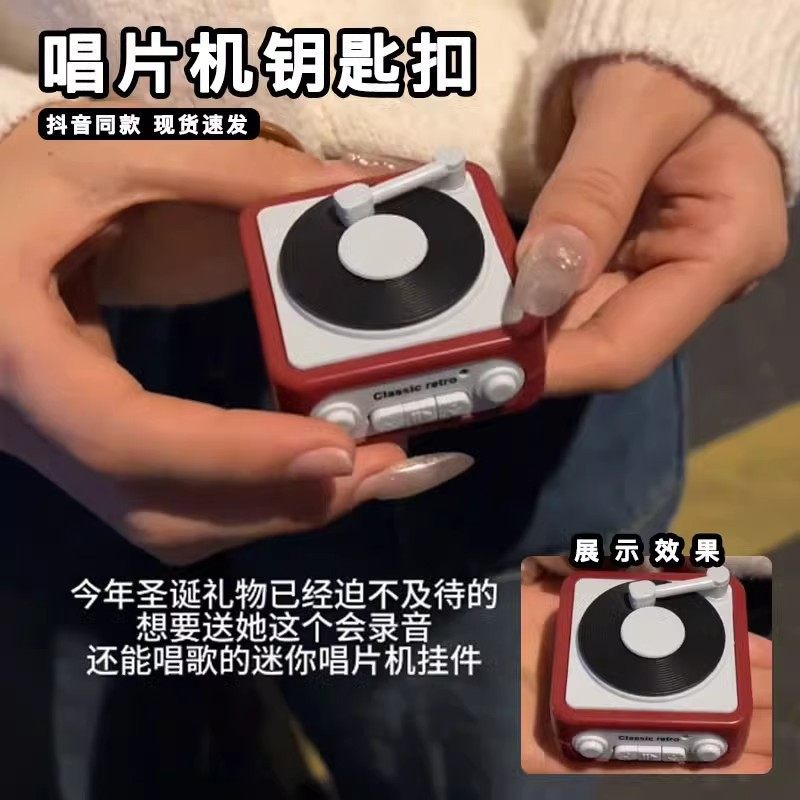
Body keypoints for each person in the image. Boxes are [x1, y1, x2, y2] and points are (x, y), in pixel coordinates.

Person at [0, 0, 795, 797]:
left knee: (487, 748)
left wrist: (698, 43)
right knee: (124, 749)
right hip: (48, 274)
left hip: (530, 253)